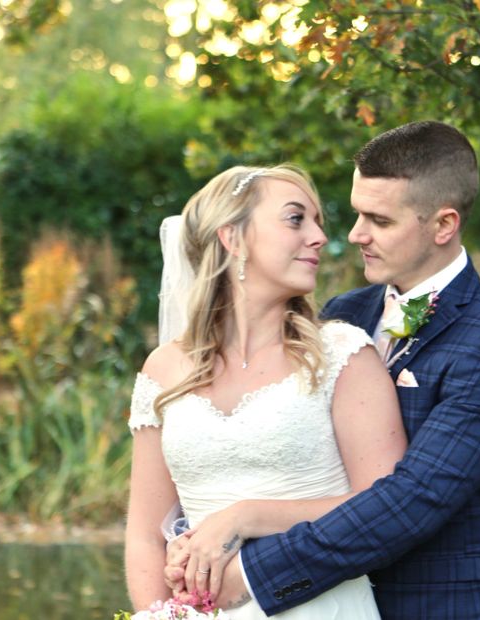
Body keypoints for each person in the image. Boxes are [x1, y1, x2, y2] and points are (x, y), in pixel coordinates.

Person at [168, 121, 480, 619]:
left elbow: (412, 501)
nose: (353, 234)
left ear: (443, 225)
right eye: (356, 213)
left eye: (379, 220)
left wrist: (252, 566)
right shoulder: (343, 314)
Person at [124, 164, 408, 618]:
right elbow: (143, 534)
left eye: (318, 223)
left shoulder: (342, 354)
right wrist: (158, 615)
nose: (318, 237)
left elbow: (382, 506)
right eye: (296, 219)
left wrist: (247, 515)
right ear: (232, 238)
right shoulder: (164, 369)